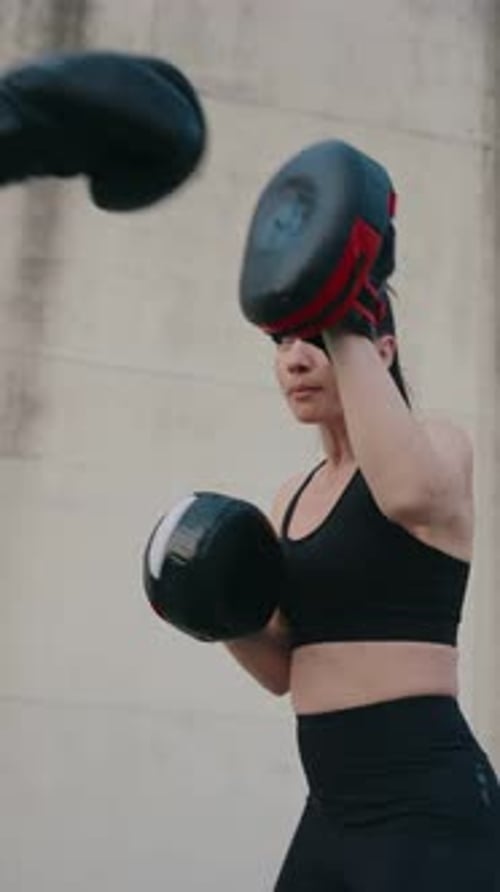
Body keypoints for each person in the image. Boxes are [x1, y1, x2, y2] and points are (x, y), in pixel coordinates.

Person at [224, 285, 500, 889]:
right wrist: (220, 612)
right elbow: (281, 669)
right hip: (330, 808)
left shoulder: (441, 448)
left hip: (424, 804)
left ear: (380, 350)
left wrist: (342, 297)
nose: (294, 359)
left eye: (318, 339)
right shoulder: (290, 496)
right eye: (282, 342)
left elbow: (406, 495)